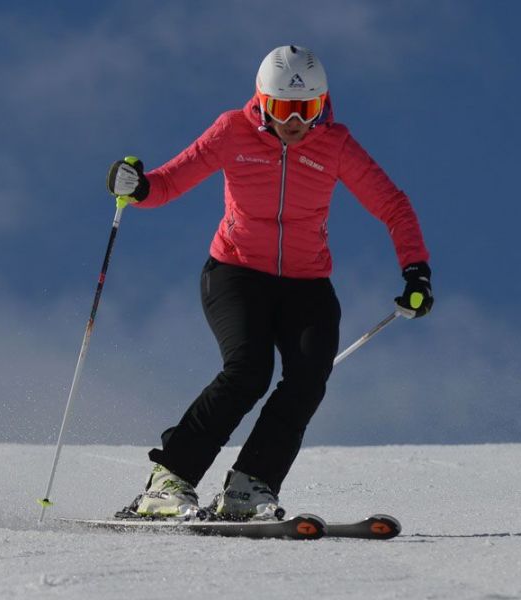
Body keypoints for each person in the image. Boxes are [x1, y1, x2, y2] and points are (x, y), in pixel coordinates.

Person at [106, 45, 432, 520]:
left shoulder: (336, 145)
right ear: (262, 102)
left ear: (323, 105)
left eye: (307, 108)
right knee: (249, 370)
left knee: (309, 375)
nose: (295, 121)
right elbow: (170, 182)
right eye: (282, 108)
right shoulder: (231, 131)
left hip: (306, 284)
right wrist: (138, 186)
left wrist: (415, 269)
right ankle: (169, 480)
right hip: (236, 273)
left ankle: (249, 485)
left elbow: (392, 205)